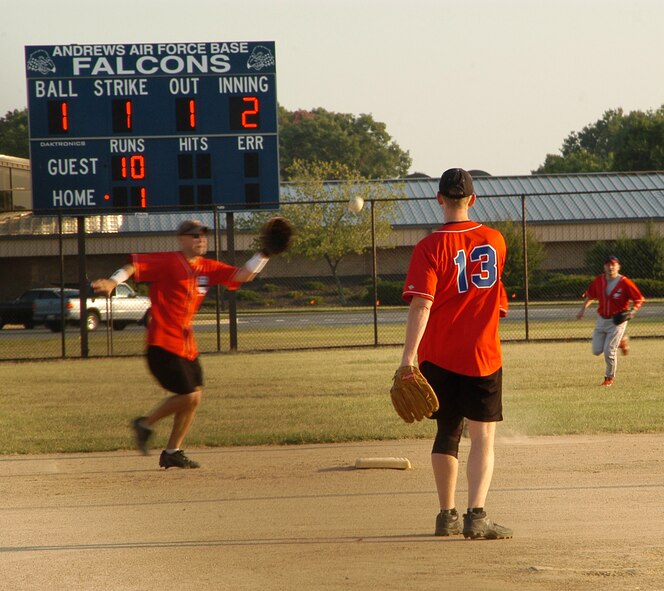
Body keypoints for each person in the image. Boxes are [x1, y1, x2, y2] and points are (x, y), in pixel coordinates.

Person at [92, 219, 271, 469]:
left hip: (187, 346)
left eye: (204, 235)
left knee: (194, 397)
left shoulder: (208, 267)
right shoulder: (169, 261)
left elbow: (243, 275)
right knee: (188, 396)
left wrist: (264, 254)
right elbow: (134, 266)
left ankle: (172, 451)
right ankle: (144, 424)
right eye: (195, 235)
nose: (201, 239)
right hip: (163, 343)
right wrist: (114, 281)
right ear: (182, 239)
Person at [397, 168, 512, 540]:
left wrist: (407, 359)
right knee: (483, 438)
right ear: (473, 200)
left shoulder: (429, 247)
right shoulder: (495, 241)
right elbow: (496, 301)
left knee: (447, 432)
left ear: (439, 199)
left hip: (438, 356)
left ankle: (445, 515)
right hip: (483, 356)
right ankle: (476, 517)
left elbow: (421, 306)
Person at [576, 256, 645, 387]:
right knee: (596, 351)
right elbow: (590, 296)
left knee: (609, 351)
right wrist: (582, 310)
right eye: (608, 264)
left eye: (613, 264)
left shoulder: (624, 282)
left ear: (618, 267)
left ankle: (609, 378)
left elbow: (639, 299)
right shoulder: (599, 280)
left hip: (617, 321)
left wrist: (633, 310)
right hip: (602, 319)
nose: (610, 267)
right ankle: (622, 341)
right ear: (604, 267)